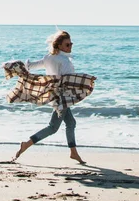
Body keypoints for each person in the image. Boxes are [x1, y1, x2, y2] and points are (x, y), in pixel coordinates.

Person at [13, 30, 86, 164]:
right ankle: (26, 144)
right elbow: (68, 80)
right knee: (53, 127)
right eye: (67, 45)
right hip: (62, 97)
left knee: (71, 123)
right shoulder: (64, 61)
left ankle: (74, 153)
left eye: (71, 44)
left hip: (54, 96)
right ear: (59, 46)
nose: (70, 47)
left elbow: (30, 66)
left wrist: (20, 66)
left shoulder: (48, 58)